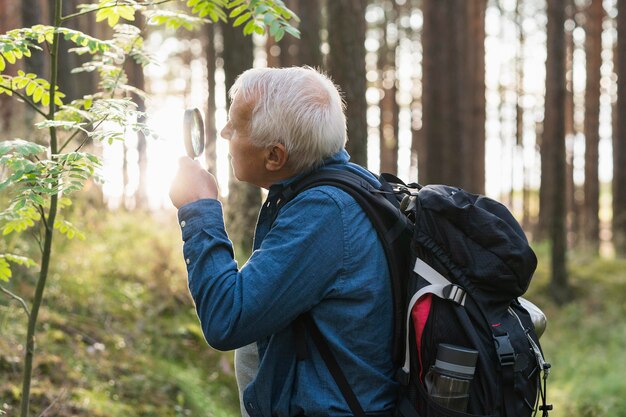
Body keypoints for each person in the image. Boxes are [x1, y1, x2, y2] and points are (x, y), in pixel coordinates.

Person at [169, 66, 398, 417]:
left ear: (274, 156)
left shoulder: (324, 213)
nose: (224, 131)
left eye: (236, 126)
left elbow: (227, 319)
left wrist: (201, 209)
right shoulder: (349, 185)